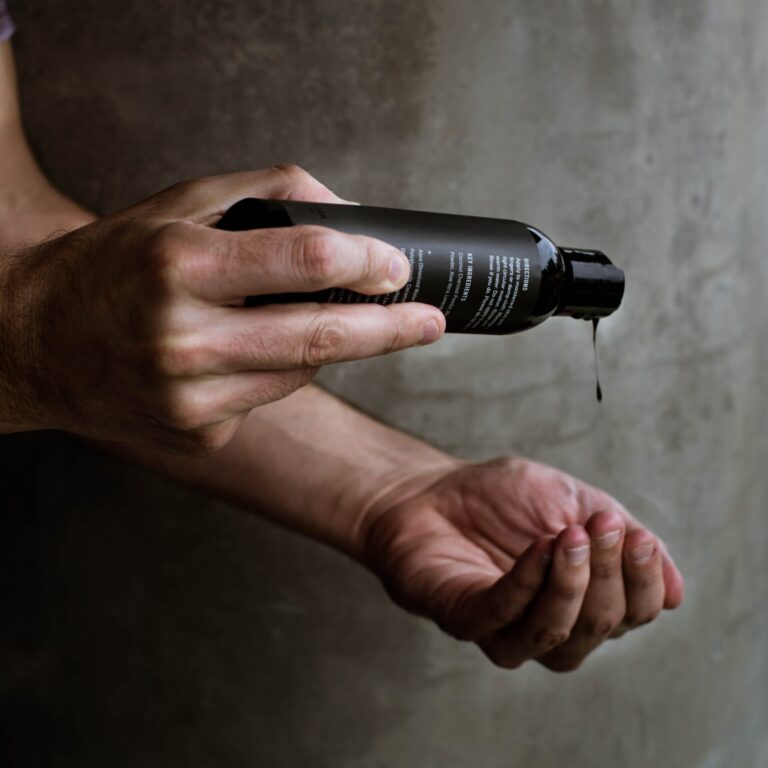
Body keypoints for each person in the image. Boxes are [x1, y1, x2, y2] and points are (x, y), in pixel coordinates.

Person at [0, 5, 683, 673]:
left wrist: (396, 487)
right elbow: (44, 315)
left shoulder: (534, 268)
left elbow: (13, 220)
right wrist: (30, 347)